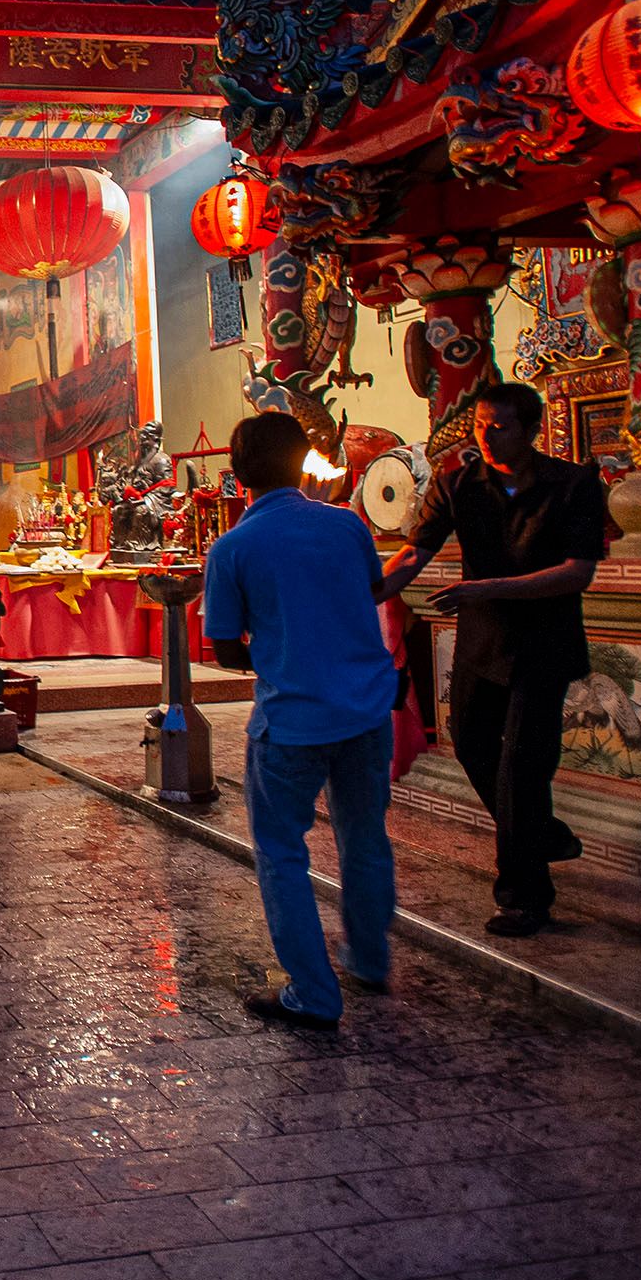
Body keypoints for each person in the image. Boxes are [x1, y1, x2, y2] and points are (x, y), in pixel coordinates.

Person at [381, 382, 605, 937]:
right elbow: (415, 551)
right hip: (483, 644)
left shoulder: (573, 484)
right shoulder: (459, 484)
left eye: (499, 426)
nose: (485, 434)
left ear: (529, 431)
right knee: (476, 752)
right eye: (479, 423)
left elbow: (578, 571)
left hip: (544, 646)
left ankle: (523, 898)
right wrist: (364, 595)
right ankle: (544, 834)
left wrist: (487, 588)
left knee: (522, 769)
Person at [202, 412, 401, 1034]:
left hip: (290, 719)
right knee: (364, 837)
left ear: (236, 475)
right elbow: (370, 592)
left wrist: (279, 647)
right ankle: (369, 960)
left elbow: (227, 648)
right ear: (305, 461)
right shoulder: (347, 527)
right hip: (366, 711)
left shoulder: (233, 547)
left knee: (283, 854)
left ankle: (314, 993)